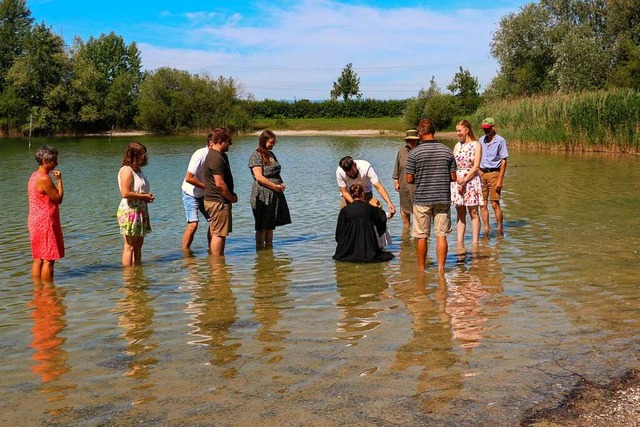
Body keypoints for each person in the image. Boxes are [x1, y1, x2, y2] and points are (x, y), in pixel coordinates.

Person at [405, 118, 457, 274]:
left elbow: (409, 178)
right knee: (441, 235)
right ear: (434, 132)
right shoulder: (447, 151)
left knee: (422, 236)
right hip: (442, 197)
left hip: (422, 199)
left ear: (420, 133)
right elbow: (454, 177)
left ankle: (421, 270)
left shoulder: (415, 153)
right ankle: (441, 270)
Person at [248, 130, 291, 248]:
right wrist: (275, 186)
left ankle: (269, 252)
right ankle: (260, 252)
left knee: (270, 225)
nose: (273, 144)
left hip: (274, 193)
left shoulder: (271, 154)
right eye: (271, 142)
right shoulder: (256, 155)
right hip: (262, 193)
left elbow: (276, 172)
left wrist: (281, 184)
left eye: (274, 142)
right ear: (264, 141)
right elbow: (259, 177)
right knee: (262, 226)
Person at [28, 145, 65, 280]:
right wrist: (60, 180)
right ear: (45, 161)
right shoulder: (44, 178)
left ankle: (38, 291)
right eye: (54, 160)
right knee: (49, 259)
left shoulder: (34, 175)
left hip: (35, 220)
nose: (57, 163)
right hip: (46, 222)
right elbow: (58, 199)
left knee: (38, 258)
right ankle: (49, 292)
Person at [333, 183, 394, 263]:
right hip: (368, 250)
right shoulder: (370, 208)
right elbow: (382, 218)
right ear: (362, 193)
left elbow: (340, 231)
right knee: (388, 256)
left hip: (347, 251)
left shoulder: (344, 211)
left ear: (351, 195)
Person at [117, 142, 154, 266]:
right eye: (142, 155)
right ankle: (128, 278)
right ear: (134, 155)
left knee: (138, 245)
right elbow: (125, 193)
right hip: (130, 211)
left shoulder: (138, 170)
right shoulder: (126, 170)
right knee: (130, 246)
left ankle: (137, 274)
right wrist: (144, 196)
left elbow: (140, 189)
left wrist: (147, 197)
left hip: (141, 209)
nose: (144, 157)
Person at [203, 127, 237, 257]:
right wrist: (231, 197)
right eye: (229, 142)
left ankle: (216, 265)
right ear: (221, 141)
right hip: (218, 202)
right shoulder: (216, 158)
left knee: (216, 231)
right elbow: (220, 184)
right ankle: (218, 266)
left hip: (214, 200)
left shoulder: (217, 155)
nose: (231, 144)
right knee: (219, 234)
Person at [451, 120, 483, 246]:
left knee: (473, 212)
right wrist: (458, 179)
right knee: (460, 212)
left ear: (467, 130)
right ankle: (460, 243)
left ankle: (475, 243)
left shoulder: (476, 145)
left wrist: (465, 180)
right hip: (458, 180)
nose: (458, 133)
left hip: (471, 181)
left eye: (459, 130)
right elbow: (452, 164)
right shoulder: (457, 145)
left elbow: (476, 166)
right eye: (457, 130)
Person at [181, 134, 214, 250]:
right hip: (191, 194)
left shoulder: (216, 156)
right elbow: (189, 178)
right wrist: (207, 187)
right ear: (211, 144)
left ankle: (212, 250)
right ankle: (185, 253)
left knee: (214, 222)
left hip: (205, 194)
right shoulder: (200, 155)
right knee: (193, 225)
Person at [478, 117, 509, 237]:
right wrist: (479, 172)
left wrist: (500, 179)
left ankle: (500, 229)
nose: (485, 131)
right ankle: (486, 229)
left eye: (487, 129)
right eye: (484, 129)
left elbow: (504, 161)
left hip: (495, 174)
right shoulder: (481, 140)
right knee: (483, 204)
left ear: (493, 127)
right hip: (482, 174)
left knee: (495, 203)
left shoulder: (500, 141)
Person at [393, 129, 420, 228]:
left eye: (413, 140)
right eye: (409, 140)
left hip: (418, 187)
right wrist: (396, 180)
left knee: (419, 214)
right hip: (404, 185)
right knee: (404, 210)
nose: (411, 142)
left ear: (418, 139)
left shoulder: (421, 150)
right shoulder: (402, 150)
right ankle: (406, 237)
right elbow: (397, 166)